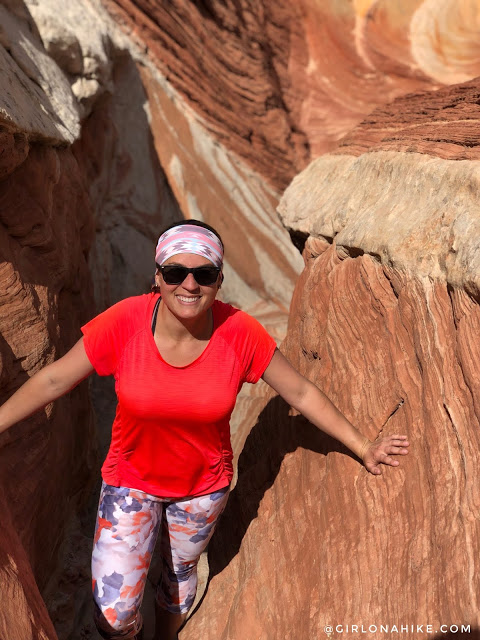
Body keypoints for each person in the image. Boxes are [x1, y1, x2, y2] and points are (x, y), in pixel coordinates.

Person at [0, 219, 409, 640]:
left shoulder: (239, 332)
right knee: (115, 616)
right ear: (157, 276)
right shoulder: (126, 321)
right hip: (130, 484)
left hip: (201, 489)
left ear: (219, 280)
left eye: (204, 274)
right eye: (176, 272)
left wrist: (364, 446)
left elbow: (301, 394)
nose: (189, 284)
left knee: (176, 583)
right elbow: (54, 380)